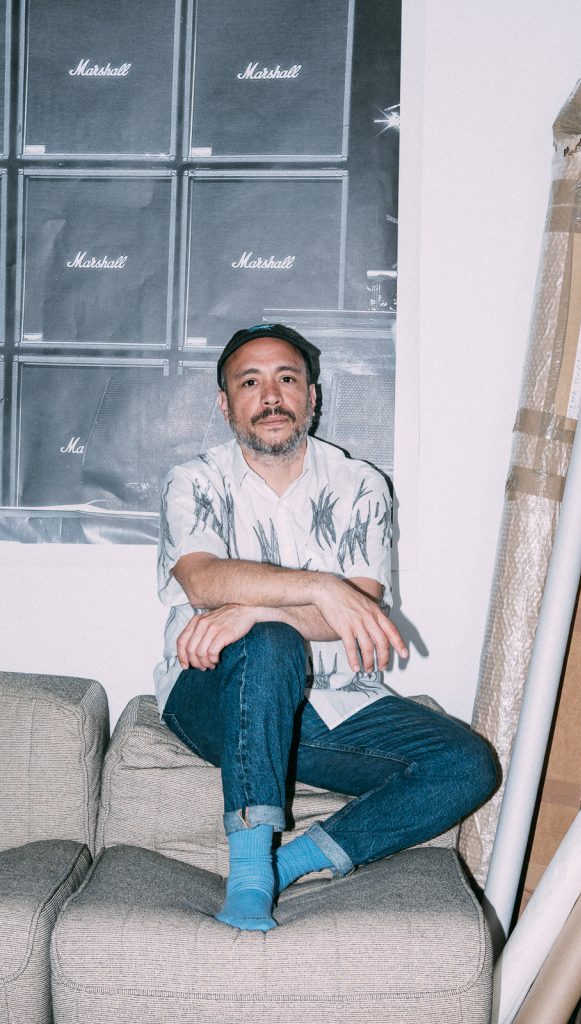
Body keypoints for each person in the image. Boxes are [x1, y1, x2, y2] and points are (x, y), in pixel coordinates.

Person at [154, 322, 496, 932]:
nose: (271, 396)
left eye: (287, 379)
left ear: (312, 396)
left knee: (469, 765)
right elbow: (203, 580)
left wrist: (257, 606)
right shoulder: (194, 481)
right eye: (250, 383)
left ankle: (289, 866)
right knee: (270, 643)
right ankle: (249, 874)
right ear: (225, 404)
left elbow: (354, 615)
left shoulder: (361, 485)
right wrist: (319, 587)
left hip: (334, 702)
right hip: (212, 697)